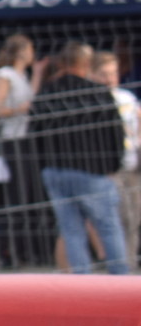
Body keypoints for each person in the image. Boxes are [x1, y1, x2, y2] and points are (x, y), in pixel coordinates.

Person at [33, 42, 129, 275]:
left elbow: (35, 133)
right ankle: (120, 278)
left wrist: (44, 167)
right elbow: (115, 132)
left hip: (56, 170)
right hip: (93, 170)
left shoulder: (47, 92)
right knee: (108, 227)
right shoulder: (97, 92)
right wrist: (114, 165)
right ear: (86, 63)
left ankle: (81, 281)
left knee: (71, 230)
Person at [0, 34, 46, 269]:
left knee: (28, 195)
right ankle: (6, 250)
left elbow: (30, 99)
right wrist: (18, 110)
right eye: (30, 49)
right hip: (12, 139)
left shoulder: (23, 76)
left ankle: (25, 249)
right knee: (17, 197)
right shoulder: (5, 75)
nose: (33, 53)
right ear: (21, 51)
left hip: (25, 138)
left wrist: (38, 73)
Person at [95, 50, 140, 274]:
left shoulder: (127, 97)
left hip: (132, 165)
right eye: (104, 74)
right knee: (116, 219)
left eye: (113, 73)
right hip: (108, 168)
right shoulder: (93, 100)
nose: (110, 79)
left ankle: (128, 265)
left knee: (134, 218)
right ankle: (118, 267)